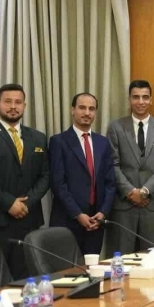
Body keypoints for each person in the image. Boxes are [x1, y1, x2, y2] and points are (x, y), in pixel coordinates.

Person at [0, 84, 50, 279]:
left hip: (29, 221)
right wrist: (9, 203)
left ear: (24, 106)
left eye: (18, 102)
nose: (13, 106)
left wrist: (26, 203)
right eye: (8, 102)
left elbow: (46, 175)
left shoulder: (38, 137)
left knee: (28, 281)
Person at [105, 80, 154, 253]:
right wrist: (131, 192)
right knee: (122, 256)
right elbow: (112, 164)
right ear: (129, 100)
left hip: (152, 204)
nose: (140, 101)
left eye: (145, 97)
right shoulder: (116, 127)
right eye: (136, 97)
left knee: (151, 256)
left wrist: (144, 192)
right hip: (123, 205)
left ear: (151, 100)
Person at [48, 93, 115, 255]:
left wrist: (103, 212)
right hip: (68, 220)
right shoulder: (59, 141)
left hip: (96, 221)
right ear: (73, 110)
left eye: (91, 109)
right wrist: (78, 214)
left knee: (92, 267)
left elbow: (110, 182)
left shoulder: (103, 142)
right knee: (66, 268)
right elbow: (58, 184)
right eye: (82, 108)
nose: (87, 113)